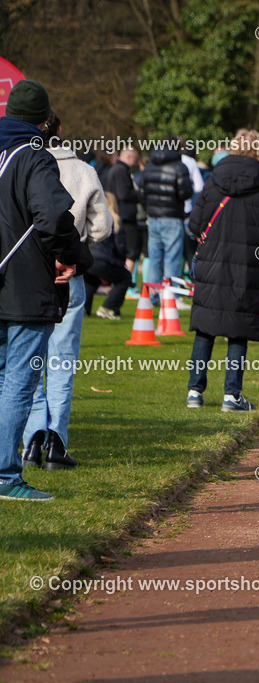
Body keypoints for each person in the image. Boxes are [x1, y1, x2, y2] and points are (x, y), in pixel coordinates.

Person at [0, 80, 92, 501]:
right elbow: (53, 217)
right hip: (24, 289)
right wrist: (75, 257)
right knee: (19, 383)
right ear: (43, 121)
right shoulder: (35, 155)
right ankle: (6, 476)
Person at [22, 108, 113, 473]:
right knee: (61, 360)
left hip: (31, 272)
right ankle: (56, 440)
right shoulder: (83, 170)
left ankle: (34, 436)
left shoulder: (23, 165)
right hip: (70, 270)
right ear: (60, 130)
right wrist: (79, 242)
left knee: (29, 356)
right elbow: (102, 227)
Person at [186, 129, 259, 412]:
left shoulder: (213, 180)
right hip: (246, 264)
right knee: (239, 329)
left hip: (212, 260)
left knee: (205, 326)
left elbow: (194, 224)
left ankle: (194, 391)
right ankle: (232, 394)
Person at [140, 137, 193, 305]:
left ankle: (153, 296)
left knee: (154, 258)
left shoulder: (149, 166)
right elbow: (185, 192)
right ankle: (171, 298)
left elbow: (142, 193)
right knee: (172, 258)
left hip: (153, 217)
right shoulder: (179, 166)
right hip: (172, 217)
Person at [85, 194, 132, 319]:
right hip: (103, 259)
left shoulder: (91, 219)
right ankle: (108, 308)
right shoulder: (114, 220)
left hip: (88, 257)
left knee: (91, 280)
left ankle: (84, 309)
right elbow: (120, 246)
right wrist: (121, 262)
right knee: (125, 278)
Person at [103, 146, 141, 292]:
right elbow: (124, 194)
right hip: (125, 216)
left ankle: (122, 283)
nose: (135, 163)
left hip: (118, 215)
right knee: (132, 251)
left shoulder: (115, 169)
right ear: (130, 157)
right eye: (135, 159)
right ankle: (126, 284)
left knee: (124, 251)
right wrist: (141, 194)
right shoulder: (121, 170)